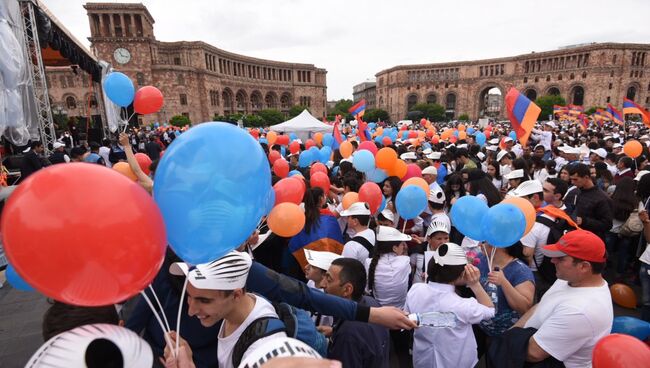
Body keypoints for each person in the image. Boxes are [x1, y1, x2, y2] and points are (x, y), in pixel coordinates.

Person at [164, 251, 287, 368]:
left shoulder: (264, 350)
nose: (191, 311)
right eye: (189, 297)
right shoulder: (240, 308)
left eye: (204, 301)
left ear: (236, 295)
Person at [512, 230, 613, 368]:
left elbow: (533, 353)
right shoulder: (569, 278)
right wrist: (514, 331)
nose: (552, 260)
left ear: (584, 266)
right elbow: (542, 305)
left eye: (560, 258)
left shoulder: (580, 311)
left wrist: (508, 339)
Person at [405, 242, 495, 368]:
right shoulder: (463, 306)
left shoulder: (415, 290)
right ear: (460, 273)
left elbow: (411, 317)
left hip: (422, 359)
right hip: (455, 362)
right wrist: (475, 284)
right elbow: (490, 311)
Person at [321, 258, 390, 368]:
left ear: (347, 290)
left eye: (329, 280)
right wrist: (335, 331)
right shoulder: (372, 303)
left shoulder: (348, 336)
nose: (322, 284)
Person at [476, 242, 535, 338]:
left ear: (497, 245)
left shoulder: (520, 270)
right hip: (482, 328)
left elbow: (525, 308)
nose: (479, 244)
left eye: (483, 242)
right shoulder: (481, 259)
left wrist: (503, 282)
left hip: (507, 335)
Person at [365, 226, 411, 308]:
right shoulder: (405, 261)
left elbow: (367, 289)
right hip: (401, 310)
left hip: (378, 311)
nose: (403, 247)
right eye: (402, 244)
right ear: (394, 248)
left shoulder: (369, 262)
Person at [605, 177, 641, 279]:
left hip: (611, 229)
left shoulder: (612, 197)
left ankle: (603, 270)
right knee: (623, 253)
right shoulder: (636, 201)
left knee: (607, 251)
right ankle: (619, 274)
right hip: (627, 231)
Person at [568, 163, 613, 241]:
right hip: (577, 236)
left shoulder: (603, 198)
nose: (572, 182)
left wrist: (585, 221)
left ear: (586, 177)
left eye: (575, 179)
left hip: (592, 240)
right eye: (571, 179)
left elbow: (607, 224)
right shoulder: (577, 191)